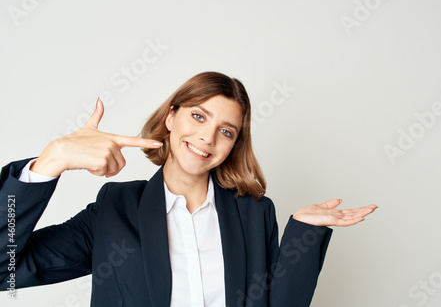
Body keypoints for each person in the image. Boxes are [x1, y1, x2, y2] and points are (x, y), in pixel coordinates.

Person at [0, 71, 377, 307]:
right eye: (198, 116)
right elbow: (6, 271)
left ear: (233, 144)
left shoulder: (254, 214)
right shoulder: (115, 209)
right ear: (170, 117)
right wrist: (51, 162)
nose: (207, 137)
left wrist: (304, 231)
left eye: (226, 131)